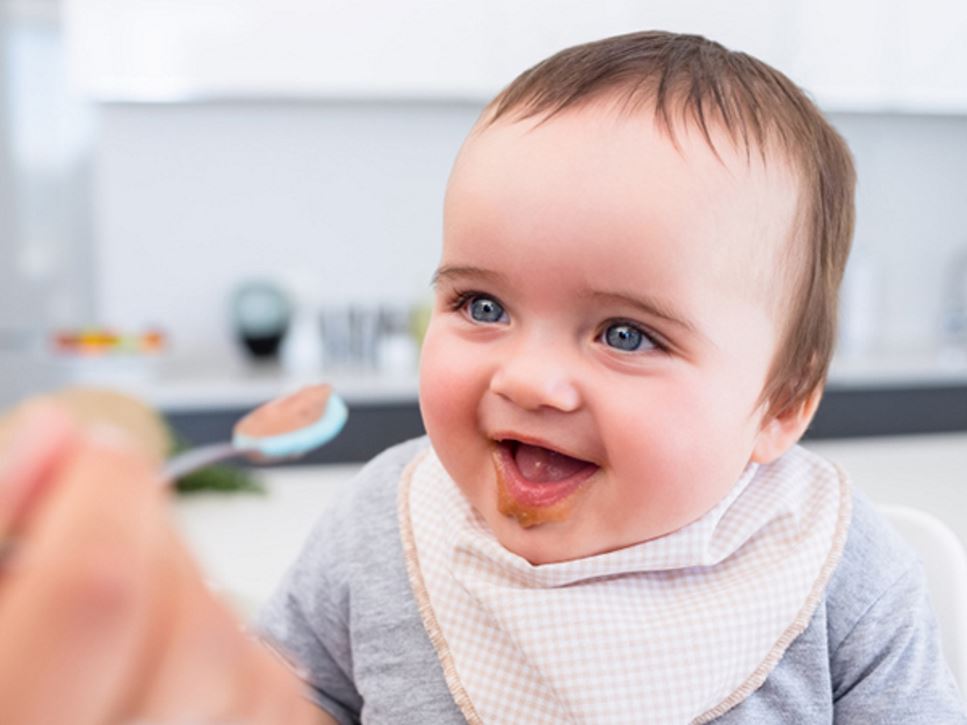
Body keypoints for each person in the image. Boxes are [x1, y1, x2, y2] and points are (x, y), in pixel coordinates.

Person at [0, 29, 963, 724]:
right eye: (482, 307)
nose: (531, 378)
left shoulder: (838, 570)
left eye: (626, 333)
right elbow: (280, 695)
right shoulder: (386, 523)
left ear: (780, 404)